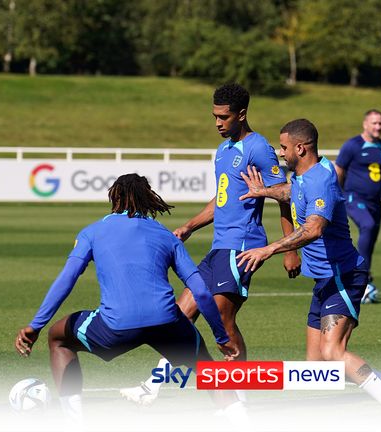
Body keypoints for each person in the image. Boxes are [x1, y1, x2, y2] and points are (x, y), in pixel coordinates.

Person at [119, 83, 300, 404]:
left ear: (241, 115)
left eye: (223, 117)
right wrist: (189, 226)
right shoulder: (223, 151)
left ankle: (238, 396)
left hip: (242, 248)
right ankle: (154, 387)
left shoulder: (259, 148)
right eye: (214, 116)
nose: (217, 122)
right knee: (177, 317)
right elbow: (221, 201)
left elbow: (284, 196)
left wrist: (290, 249)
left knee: (223, 322)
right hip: (218, 247)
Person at [15, 174, 244, 420]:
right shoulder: (165, 234)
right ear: (148, 198)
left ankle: (74, 420)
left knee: (58, 338)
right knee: (206, 367)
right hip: (168, 323)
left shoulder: (92, 232)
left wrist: (36, 325)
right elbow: (199, 290)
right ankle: (242, 419)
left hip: (116, 326)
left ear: (114, 197)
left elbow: (66, 280)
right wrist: (221, 336)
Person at [237, 119, 381, 423]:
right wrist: (264, 191)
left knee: (333, 353)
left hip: (344, 276)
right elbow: (292, 191)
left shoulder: (321, 180)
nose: (280, 153)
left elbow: (314, 229)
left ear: (300, 148)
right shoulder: (305, 176)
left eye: (283, 147)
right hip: (325, 280)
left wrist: (270, 249)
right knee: (317, 366)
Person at [334, 109, 381, 303]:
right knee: (367, 225)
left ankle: (362, 276)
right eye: (374, 123)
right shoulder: (352, 145)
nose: (378, 127)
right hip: (353, 197)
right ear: (365, 124)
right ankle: (361, 277)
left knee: (371, 237)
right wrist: (340, 195)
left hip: (375, 202)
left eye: (380, 123)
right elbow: (339, 170)